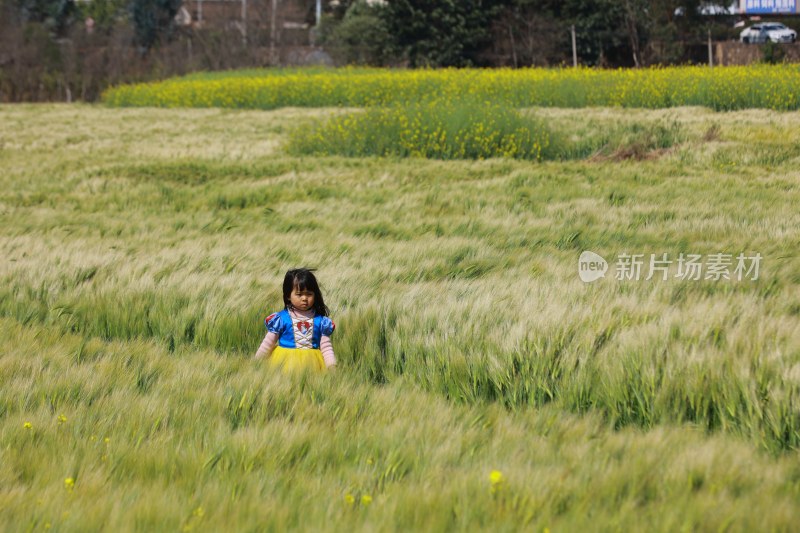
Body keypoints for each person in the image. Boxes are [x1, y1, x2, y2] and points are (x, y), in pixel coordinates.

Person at [253, 268, 337, 373]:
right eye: (299, 294)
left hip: (312, 365)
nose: (304, 298)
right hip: (283, 364)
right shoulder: (281, 319)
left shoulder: (321, 322)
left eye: (309, 294)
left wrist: (332, 366)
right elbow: (268, 343)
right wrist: (256, 363)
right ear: (288, 295)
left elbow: (326, 347)